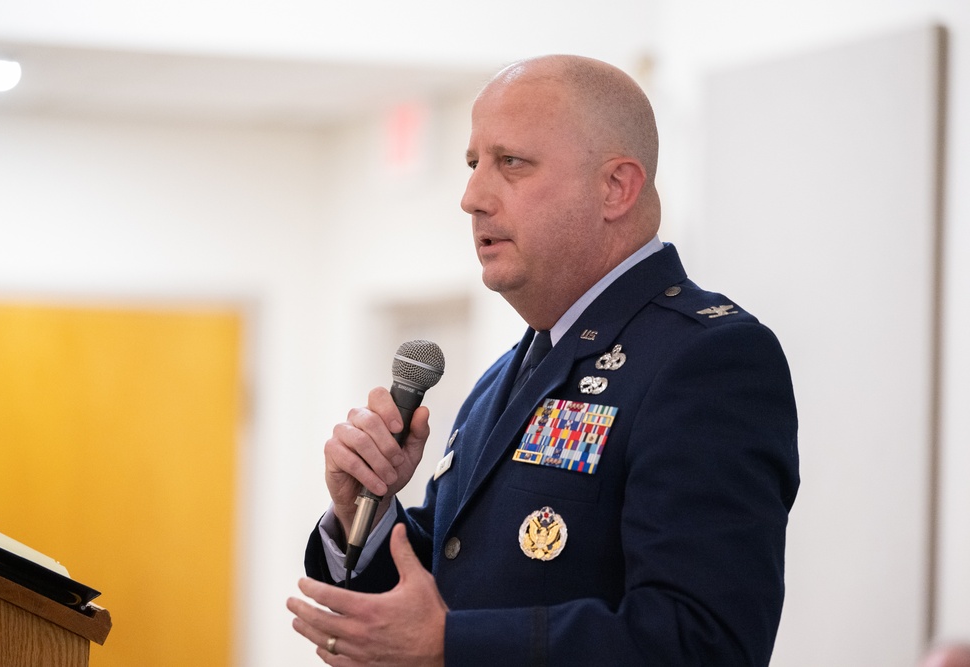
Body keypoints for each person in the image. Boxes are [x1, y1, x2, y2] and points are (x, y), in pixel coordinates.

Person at [287, 54, 799, 666]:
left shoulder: (706, 359)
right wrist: (364, 513)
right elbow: (456, 577)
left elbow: (703, 642)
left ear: (615, 187)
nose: (472, 197)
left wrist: (453, 647)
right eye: (475, 164)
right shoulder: (508, 374)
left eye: (512, 164)